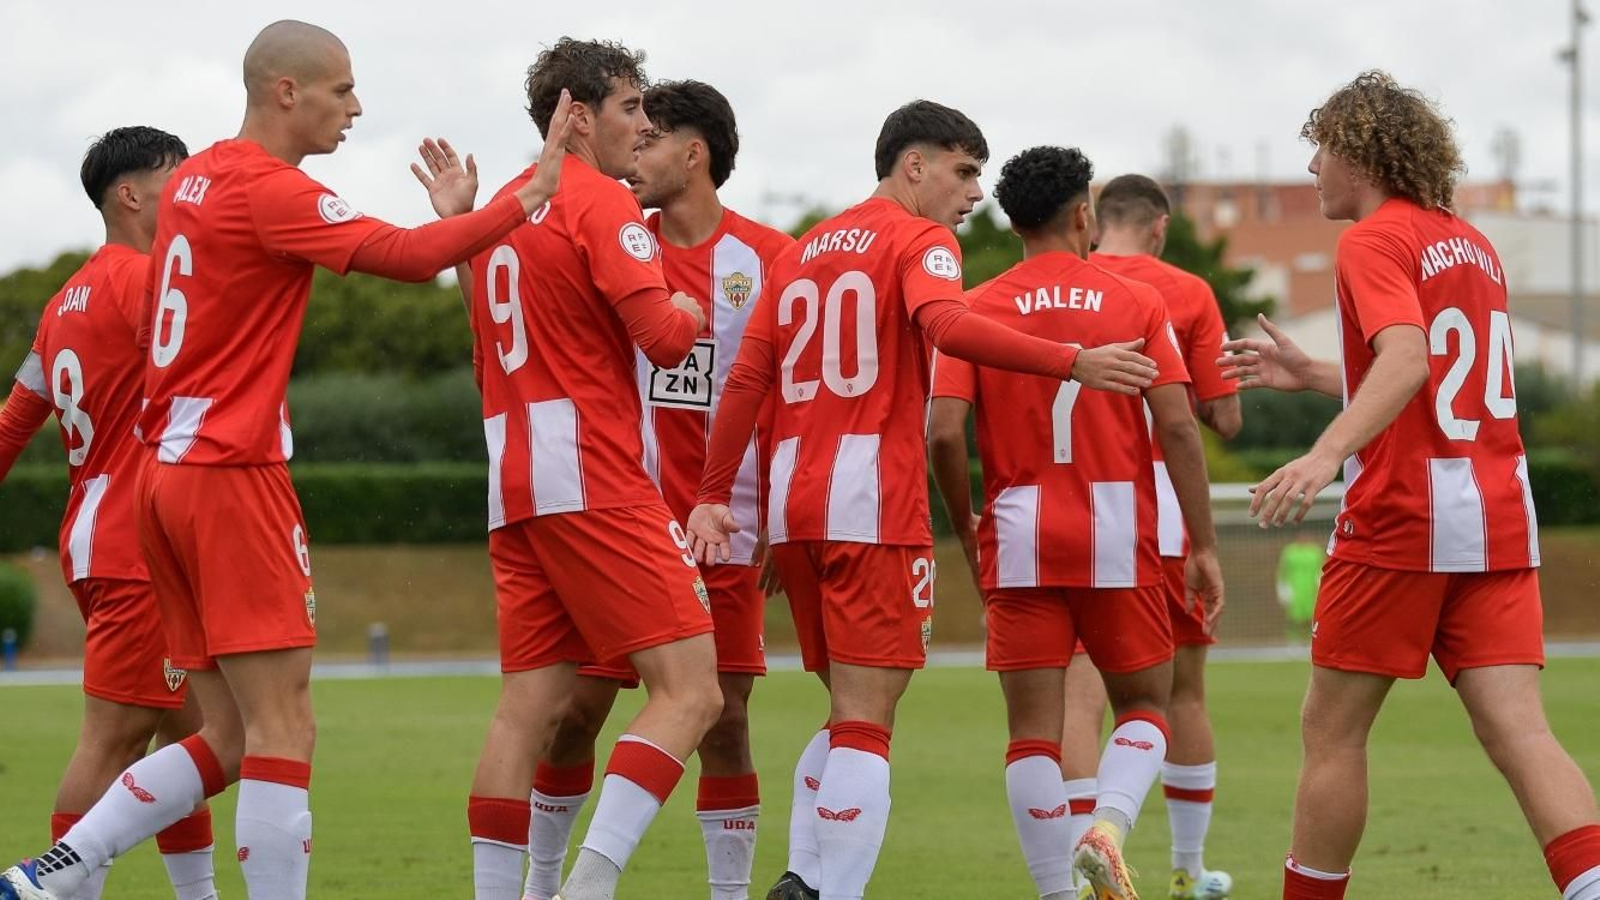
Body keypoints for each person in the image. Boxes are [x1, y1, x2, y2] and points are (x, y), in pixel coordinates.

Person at [2, 20, 576, 900]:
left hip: (158, 480)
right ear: (286, 92)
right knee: (285, 728)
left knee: (221, 737)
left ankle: (57, 869)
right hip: (231, 474)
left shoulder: (190, 181)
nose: (355, 107)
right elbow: (405, 255)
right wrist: (527, 192)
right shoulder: (268, 190)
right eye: (341, 89)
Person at [684, 101, 1162, 900]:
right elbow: (944, 324)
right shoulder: (920, 241)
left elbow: (746, 380)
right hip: (873, 503)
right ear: (915, 165)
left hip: (795, 507)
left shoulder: (798, 253)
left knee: (844, 715)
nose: (974, 193)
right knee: (867, 724)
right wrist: (1070, 360)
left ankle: (802, 879)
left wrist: (713, 494)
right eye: (964, 170)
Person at [1218, 70, 1600, 900]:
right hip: (1498, 517)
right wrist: (1322, 371)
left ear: (1359, 150)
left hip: (1403, 519)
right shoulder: (1469, 240)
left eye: (1319, 148)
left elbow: (1412, 360)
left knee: (1332, 731)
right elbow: (1442, 380)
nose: (1312, 167)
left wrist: (1324, 457)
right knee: (1522, 732)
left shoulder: (1370, 241)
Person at [415, 39, 728, 900]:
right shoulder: (603, 204)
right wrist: (688, 307)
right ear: (579, 115)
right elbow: (663, 341)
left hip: (512, 474)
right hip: (590, 470)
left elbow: (488, 364)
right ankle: (585, 889)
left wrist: (462, 229)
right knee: (692, 694)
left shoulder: (510, 212)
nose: (644, 126)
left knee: (527, 711)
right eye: (632, 108)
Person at [483, 78, 792, 900]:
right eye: (635, 128)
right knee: (573, 713)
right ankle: (545, 884)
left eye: (654, 138)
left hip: (727, 525)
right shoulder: (614, 233)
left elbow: (795, 398)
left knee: (724, 720)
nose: (638, 150)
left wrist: (783, 519)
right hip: (620, 509)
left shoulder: (768, 259)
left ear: (694, 154)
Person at [928, 146, 1223, 900]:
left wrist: (965, 521)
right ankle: (1109, 828)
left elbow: (943, 432)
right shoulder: (1136, 303)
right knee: (1146, 707)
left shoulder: (977, 305)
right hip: (1118, 533)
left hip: (1020, 530)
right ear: (1082, 213)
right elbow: (1182, 429)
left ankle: (1060, 894)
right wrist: (1204, 543)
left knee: (1032, 730)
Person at [0, 127, 217, 900]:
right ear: (130, 194)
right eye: (177, 178)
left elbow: (12, 425)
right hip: (139, 544)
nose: (191, 191)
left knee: (189, 734)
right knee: (115, 741)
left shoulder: (62, 305)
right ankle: (51, 888)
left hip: (96, 536)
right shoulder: (147, 282)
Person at [1055, 173, 1241, 900]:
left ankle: (1076, 863)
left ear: (1095, 222)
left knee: (1080, 695)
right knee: (1181, 694)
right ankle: (1188, 871)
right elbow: (1220, 421)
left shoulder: (1063, 282)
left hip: (1077, 501)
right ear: (1159, 227)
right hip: (1161, 505)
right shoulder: (1184, 291)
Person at [1275, 537, 1323, 644]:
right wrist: (1282, 588)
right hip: (1294, 590)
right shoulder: (1289, 552)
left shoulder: (1315, 551)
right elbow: (1282, 570)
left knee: (1311, 618)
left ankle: (1308, 641)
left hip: (1311, 591)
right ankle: (1293, 641)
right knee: (1294, 618)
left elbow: (1321, 568)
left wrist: (1320, 583)